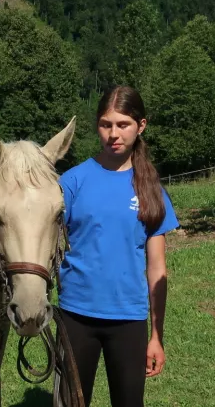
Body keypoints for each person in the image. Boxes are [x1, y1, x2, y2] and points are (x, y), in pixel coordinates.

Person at [57, 85, 180, 407]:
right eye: (105, 124)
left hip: (129, 320)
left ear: (140, 126)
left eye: (123, 124)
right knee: (69, 402)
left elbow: (157, 269)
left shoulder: (151, 190)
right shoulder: (71, 182)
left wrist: (156, 336)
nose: (113, 133)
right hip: (75, 316)